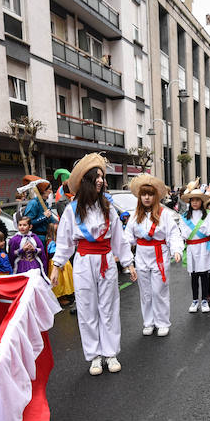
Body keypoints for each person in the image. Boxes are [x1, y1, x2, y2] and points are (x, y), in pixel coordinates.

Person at [51, 153, 135, 376]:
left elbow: (119, 238)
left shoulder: (108, 207)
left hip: (106, 260)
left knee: (109, 307)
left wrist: (128, 263)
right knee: (87, 308)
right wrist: (57, 265)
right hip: (83, 261)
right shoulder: (72, 210)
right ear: (86, 181)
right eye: (96, 177)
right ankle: (95, 355)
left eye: (102, 176)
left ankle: (110, 353)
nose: (101, 180)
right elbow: (64, 240)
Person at [123, 174, 182, 336]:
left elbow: (173, 234)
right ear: (139, 197)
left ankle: (162, 322)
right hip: (142, 256)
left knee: (159, 290)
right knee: (146, 292)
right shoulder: (135, 216)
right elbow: (127, 237)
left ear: (155, 196)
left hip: (159, 256)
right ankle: (148, 322)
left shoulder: (164, 215)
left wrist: (176, 249)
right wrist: (122, 255)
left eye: (150, 194)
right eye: (144, 194)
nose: (147, 197)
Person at [178, 186, 210, 313]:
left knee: (204, 274)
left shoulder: (209, 216)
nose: (195, 202)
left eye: (197, 200)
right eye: (192, 200)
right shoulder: (184, 216)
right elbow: (184, 233)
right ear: (189, 202)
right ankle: (195, 300)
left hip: (203, 247)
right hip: (191, 247)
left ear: (202, 201)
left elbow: (209, 230)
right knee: (194, 275)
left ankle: (204, 300)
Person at [45, 222, 73, 307]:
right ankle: (60, 298)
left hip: (62, 262)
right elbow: (53, 253)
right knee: (59, 282)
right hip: (56, 263)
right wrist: (59, 264)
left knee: (65, 280)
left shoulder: (57, 241)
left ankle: (65, 295)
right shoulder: (52, 243)